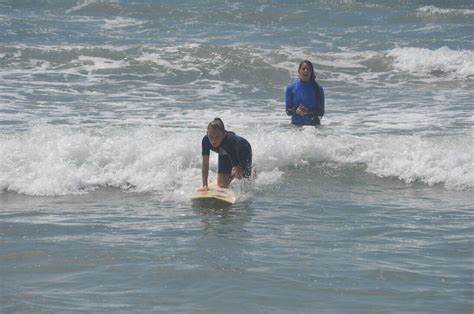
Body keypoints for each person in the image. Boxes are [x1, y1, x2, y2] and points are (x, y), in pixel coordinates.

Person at [200, 118, 253, 191]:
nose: (213, 140)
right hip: (224, 152)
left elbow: (237, 168)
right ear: (207, 133)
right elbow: (205, 164)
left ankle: (253, 170)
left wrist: (238, 191)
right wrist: (205, 185)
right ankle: (233, 173)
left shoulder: (229, 142)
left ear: (223, 134)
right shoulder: (205, 141)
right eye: (211, 137)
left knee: (245, 182)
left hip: (243, 150)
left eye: (217, 137)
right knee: (222, 185)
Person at [285, 60, 325, 126]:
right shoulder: (291, 88)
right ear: (299, 71)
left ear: (311, 72)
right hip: (296, 126)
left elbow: (321, 112)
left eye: (308, 69)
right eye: (303, 69)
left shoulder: (318, 88)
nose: (306, 71)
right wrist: (296, 111)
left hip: (314, 127)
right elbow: (288, 111)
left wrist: (307, 111)